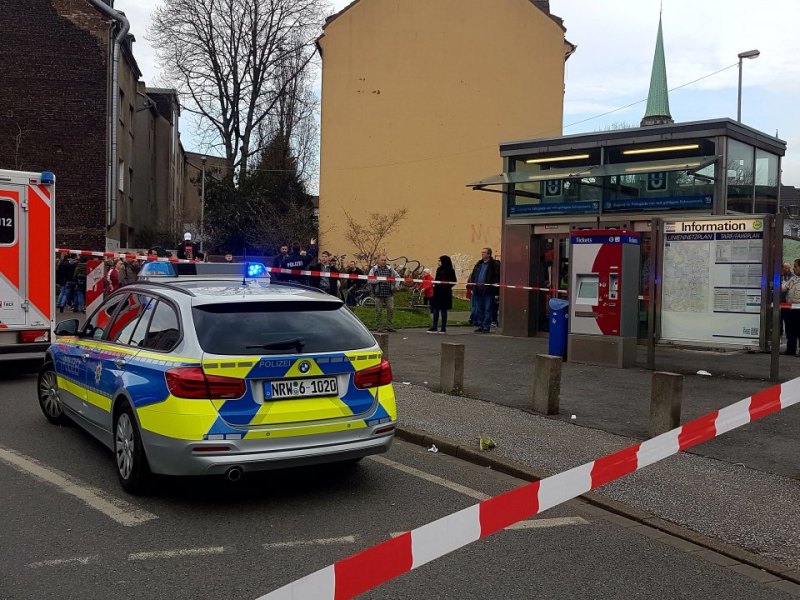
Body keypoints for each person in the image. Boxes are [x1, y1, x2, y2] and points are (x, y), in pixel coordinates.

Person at [468, 247, 501, 333]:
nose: (482, 254)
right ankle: (480, 325)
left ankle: (486, 326)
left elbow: (497, 277)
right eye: (482, 252)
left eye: (484, 253)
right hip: (478, 290)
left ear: (489, 254)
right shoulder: (479, 264)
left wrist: (495, 290)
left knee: (487, 309)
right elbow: (474, 276)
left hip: (488, 291)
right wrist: (472, 287)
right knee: (479, 309)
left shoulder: (494, 265)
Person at [368, 254, 401, 333]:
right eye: (382, 260)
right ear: (378, 260)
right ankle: (379, 326)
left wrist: (396, 285)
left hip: (389, 293)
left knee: (390, 309)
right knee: (378, 311)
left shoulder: (390, 269)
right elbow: (369, 280)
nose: (383, 262)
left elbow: (398, 277)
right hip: (378, 293)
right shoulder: (374, 269)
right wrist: (379, 280)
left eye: (385, 260)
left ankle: (389, 326)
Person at [427, 256, 456, 334]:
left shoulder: (450, 271)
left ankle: (443, 328)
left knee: (443, 310)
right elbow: (437, 280)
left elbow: (453, 281)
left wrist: (445, 287)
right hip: (437, 292)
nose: (438, 262)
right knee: (435, 309)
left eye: (440, 261)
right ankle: (434, 326)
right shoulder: (439, 269)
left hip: (445, 293)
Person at [781, 259, 800, 356]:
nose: (794, 268)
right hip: (790, 308)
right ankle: (790, 349)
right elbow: (784, 288)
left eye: (796, 266)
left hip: (799, 309)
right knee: (790, 329)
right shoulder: (793, 279)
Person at [781, 262, 792, 337]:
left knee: (788, 318)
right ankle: (780, 332)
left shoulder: (793, 277)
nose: (785, 269)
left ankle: (788, 332)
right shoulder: (779, 276)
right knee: (779, 317)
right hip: (780, 299)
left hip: (788, 300)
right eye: (784, 267)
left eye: (787, 268)